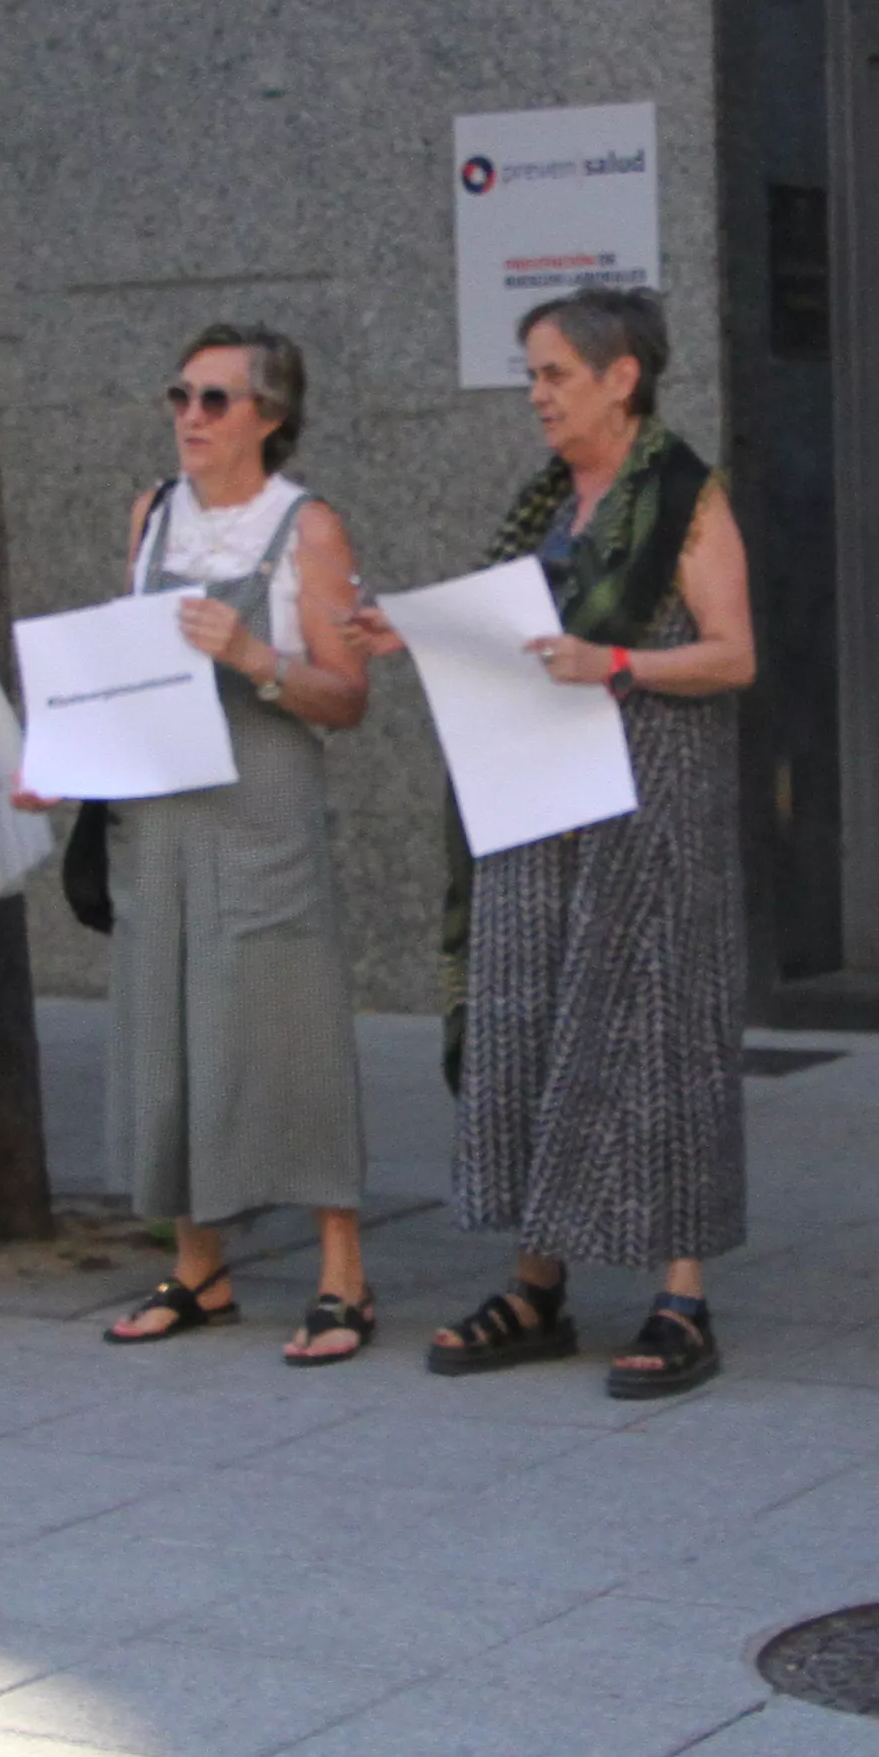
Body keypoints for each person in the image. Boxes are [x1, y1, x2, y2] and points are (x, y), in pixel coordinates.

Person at [360, 286, 753, 1399]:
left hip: (652, 813)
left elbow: (734, 656)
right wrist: (412, 630)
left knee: (662, 1039)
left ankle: (684, 1298)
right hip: (539, 805)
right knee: (527, 1019)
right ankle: (538, 1285)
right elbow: (514, 635)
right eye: (533, 374)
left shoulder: (687, 496)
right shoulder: (547, 503)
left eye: (553, 374)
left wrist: (621, 665)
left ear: (621, 379)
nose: (535, 395)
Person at [64, 327, 383, 1364]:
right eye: (180, 396)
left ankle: (344, 1275)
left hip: (259, 807)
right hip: (159, 811)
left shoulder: (309, 528)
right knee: (165, 1024)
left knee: (287, 1026)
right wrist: (69, 755)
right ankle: (197, 1269)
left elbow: (349, 697)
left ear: (270, 417)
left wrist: (255, 656)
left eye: (214, 400)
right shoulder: (152, 513)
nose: (189, 418)